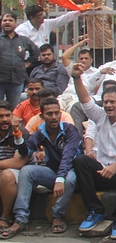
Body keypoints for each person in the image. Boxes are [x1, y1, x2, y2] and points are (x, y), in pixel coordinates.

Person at [70, 63, 116, 239]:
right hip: (103, 169)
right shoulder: (100, 116)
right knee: (81, 161)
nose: (109, 106)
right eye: (106, 102)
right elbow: (85, 100)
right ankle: (95, 210)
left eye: (113, 102)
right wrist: (76, 78)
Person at [4, 97, 80, 238]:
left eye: (56, 113)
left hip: (71, 173)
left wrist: (60, 179)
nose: (53, 117)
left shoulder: (70, 130)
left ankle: (57, 216)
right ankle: (21, 218)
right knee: (27, 171)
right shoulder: (40, 132)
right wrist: (17, 134)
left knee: (69, 179)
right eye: (49, 114)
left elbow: (68, 157)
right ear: (42, 116)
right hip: (53, 173)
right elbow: (25, 151)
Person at [0, 101, 31, 230]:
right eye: (0, 116)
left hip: (23, 172)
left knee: (7, 175)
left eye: (8, 115)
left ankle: (6, 216)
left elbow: (18, 163)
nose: (4, 119)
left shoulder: (21, 133)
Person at [0, 12, 39, 107]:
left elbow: (36, 52)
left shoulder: (23, 40)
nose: (7, 22)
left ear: (16, 23)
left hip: (17, 80)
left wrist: (27, 63)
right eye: (5, 20)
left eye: (10, 20)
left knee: (13, 108)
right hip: (0, 79)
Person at [83, 0, 116, 67]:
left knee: (109, 68)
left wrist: (107, 33)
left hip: (107, 46)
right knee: (95, 69)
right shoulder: (87, 11)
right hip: (93, 46)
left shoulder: (107, 10)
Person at [15, 5, 80, 48]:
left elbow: (63, 19)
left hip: (45, 61)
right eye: (40, 15)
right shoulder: (22, 30)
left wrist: (80, 11)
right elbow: (20, 48)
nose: (43, 16)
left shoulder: (46, 24)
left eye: (43, 14)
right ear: (32, 17)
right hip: (31, 62)